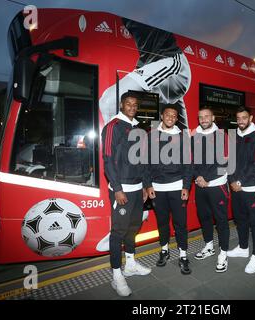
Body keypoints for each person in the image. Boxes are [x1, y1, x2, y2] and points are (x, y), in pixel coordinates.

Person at [100, 91, 151, 297]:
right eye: (128, 104)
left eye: (135, 104)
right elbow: (108, 160)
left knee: (133, 227)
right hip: (122, 190)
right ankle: (116, 274)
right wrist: (118, 189)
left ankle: (130, 263)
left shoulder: (138, 129)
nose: (132, 107)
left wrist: (147, 185)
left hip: (138, 189)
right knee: (118, 232)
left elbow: (144, 160)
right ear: (122, 105)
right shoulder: (113, 126)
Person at [99, 18, 191, 129]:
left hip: (169, 60)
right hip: (150, 64)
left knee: (109, 101)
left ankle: (115, 145)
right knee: (181, 134)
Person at [144, 105, 193, 275]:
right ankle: (164, 250)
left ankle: (183, 255)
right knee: (162, 222)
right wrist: (148, 185)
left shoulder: (183, 137)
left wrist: (186, 186)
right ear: (162, 116)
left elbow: (188, 165)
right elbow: (145, 164)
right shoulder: (151, 136)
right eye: (168, 115)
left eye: (174, 115)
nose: (171, 118)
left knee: (180, 223)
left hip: (177, 187)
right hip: (157, 189)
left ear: (176, 118)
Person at [227, 107, 255, 274]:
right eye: (238, 118)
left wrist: (239, 181)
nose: (241, 121)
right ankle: (243, 248)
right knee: (240, 219)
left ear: (250, 118)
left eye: (244, 118)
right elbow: (229, 160)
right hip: (236, 187)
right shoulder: (233, 135)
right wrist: (231, 181)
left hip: (251, 187)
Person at [192, 106, 230, 273]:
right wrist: (198, 177)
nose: (204, 119)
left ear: (213, 117)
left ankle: (224, 253)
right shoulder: (194, 135)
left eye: (207, 116)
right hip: (200, 185)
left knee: (221, 220)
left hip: (217, 185)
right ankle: (209, 246)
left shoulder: (223, 135)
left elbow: (226, 162)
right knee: (204, 217)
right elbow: (190, 160)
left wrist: (207, 178)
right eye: (201, 117)